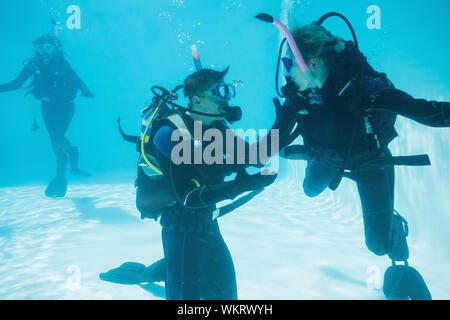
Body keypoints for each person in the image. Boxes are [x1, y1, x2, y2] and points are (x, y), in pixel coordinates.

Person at [273, 20, 449, 299]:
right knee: (310, 189)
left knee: (378, 246)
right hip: (328, 159)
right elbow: (270, 144)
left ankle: (394, 228)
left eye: (289, 63)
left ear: (313, 63)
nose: (287, 73)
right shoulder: (298, 100)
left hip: (370, 161)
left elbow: (424, 111)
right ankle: (327, 167)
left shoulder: (364, 89)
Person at [128, 68, 278, 300]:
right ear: (197, 100)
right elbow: (187, 197)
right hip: (179, 229)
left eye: (230, 90)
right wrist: (239, 185)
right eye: (221, 91)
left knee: (228, 300)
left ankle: (162, 269)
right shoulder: (167, 133)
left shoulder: (217, 127)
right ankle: (154, 273)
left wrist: (287, 117)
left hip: (208, 225)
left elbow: (254, 156)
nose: (227, 97)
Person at [0, 34, 93, 197]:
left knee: (57, 138)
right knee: (55, 141)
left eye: (48, 47)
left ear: (55, 49)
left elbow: (76, 79)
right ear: (36, 49)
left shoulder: (63, 64)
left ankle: (71, 155)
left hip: (66, 106)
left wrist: (86, 91)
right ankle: (62, 174)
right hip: (47, 106)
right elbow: (15, 84)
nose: (44, 51)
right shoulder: (33, 65)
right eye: (40, 47)